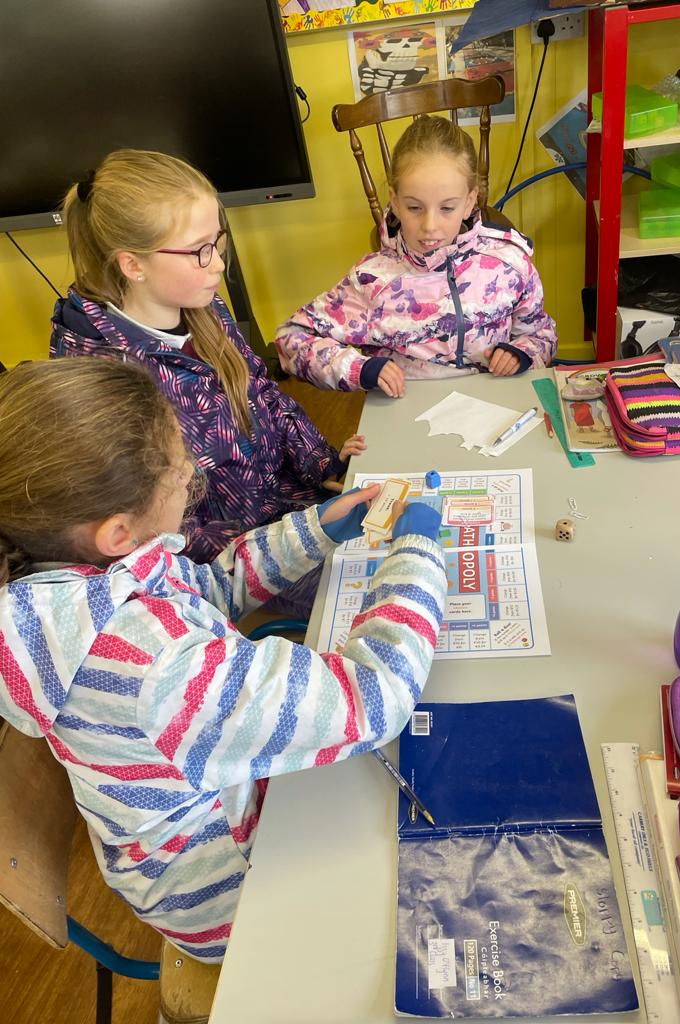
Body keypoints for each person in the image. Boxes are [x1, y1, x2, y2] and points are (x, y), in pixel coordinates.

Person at [0, 358, 445, 963]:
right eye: (177, 464)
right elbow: (374, 698)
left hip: (225, 803)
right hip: (236, 894)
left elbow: (206, 590)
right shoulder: (153, 664)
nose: (191, 468)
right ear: (118, 532)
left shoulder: (77, 581)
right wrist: (416, 554)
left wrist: (316, 530)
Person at [50, 148, 365, 577]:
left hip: (289, 510)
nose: (217, 263)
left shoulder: (203, 306)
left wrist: (322, 464)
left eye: (218, 241)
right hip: (235, 565)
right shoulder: (99, 382)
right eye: (200, 250)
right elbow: (163, 530)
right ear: (133, 265)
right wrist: (294, 541)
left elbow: (263, 392)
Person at [275, 115, 557, 397]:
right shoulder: (371, 281)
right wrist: (359, 368)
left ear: (469, 201)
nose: (430, 226)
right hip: (407, 409)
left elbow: (541, 334)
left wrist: (522, 353)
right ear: (395, 201)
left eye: (447, 208)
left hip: (497, 406)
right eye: (414, 208)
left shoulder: (509, 264)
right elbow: (290, 338)